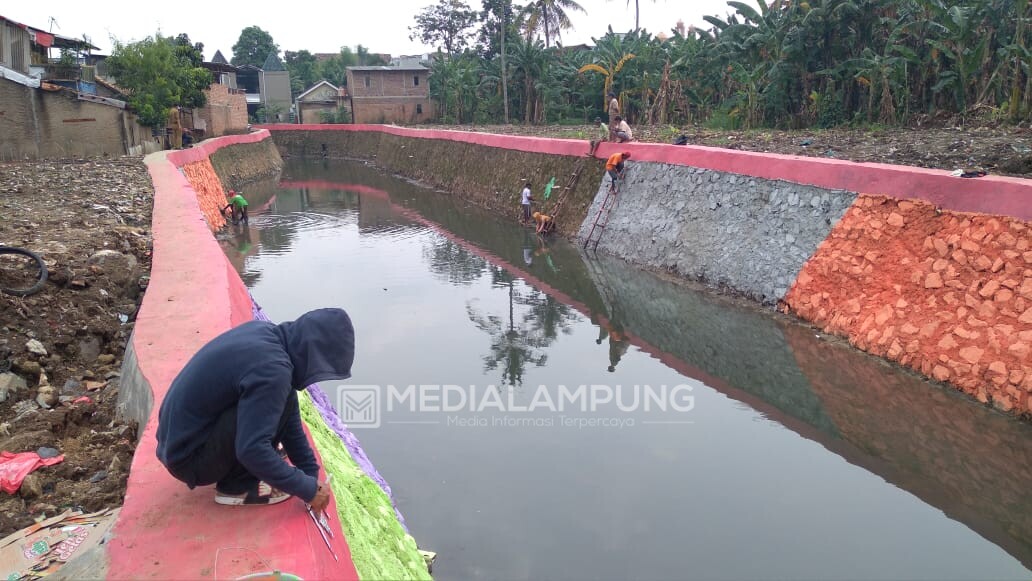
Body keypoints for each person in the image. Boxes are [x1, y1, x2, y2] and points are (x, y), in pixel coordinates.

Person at [156, 308, 355, 509]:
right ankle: (237, 486)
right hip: (190, 460)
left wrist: (310, 476)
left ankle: (244, 471)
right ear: (315, 353)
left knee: (278, 399)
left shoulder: (267, 335)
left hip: (178, 442)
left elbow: (289, 415)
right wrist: (306, 489)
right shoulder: (274, 371)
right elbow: (252, 450)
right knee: (263, 426)